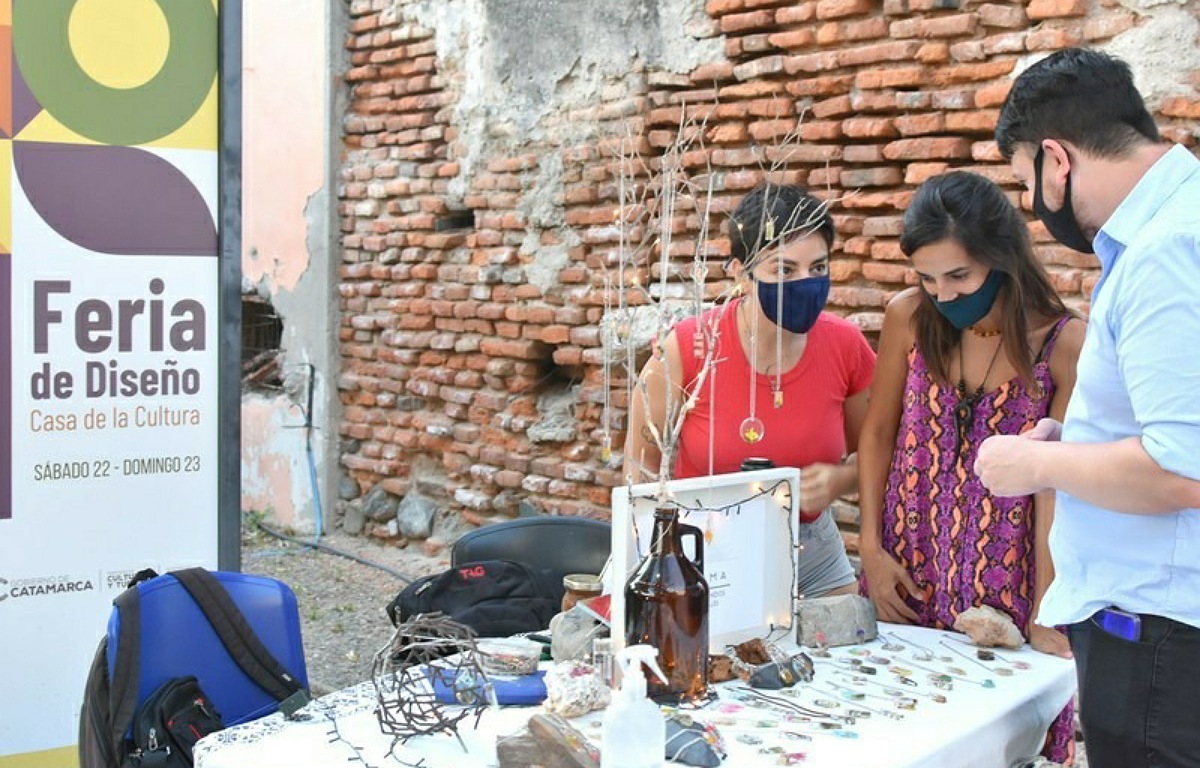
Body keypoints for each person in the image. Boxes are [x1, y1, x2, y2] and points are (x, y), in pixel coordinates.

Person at [976, 48, 1200, 768]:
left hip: (1161, 639)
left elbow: (1183, 469)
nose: (1037, 206)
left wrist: (1035, 461)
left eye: (1026, 181)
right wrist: (1078, 441)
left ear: (1057, 159)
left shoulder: (1166, 249)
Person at [857, 171, 1084, 763]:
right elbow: (878, 435)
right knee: (891, 731)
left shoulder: (1060, 342)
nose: (944, 293)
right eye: (927, 278)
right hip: (908, 568)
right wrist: (873, 553)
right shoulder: (908, 317)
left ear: (1000, 256)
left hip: (1003, 587)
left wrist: (1046, 609)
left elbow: (1054, 487)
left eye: (959, 275)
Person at [623, 182, 875, 598]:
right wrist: (655, 556)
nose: (806, 283)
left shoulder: (846, 346)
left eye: (818, 268)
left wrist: (841, 479)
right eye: (784, 269)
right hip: (701, 552)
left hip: (808, 550)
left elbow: (878, 451)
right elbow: (640, 468)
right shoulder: (688, 348)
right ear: (741, 273)